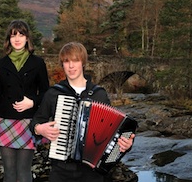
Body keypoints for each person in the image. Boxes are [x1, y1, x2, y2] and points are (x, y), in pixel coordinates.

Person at [29, 42, 135, 182]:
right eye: (67, 62)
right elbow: (34, 122)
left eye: (75, 61)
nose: (71, 66)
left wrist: (125, 146)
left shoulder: (99, 95)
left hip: (91, 172)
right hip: (61, 170)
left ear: (83, 63)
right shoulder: (54, 93)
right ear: (62, 65)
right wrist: (39, 128)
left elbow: (113, 134)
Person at [0, 20, 50, 182]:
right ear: (8, 38)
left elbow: (46, 93)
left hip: (27, 122)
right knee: (9, 173)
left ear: (27, 38)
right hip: (4, 122)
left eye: (21, 35)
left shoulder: (38, 63)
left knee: (23, 172)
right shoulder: (1, 64)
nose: (17, 39)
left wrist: (33, 102)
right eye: (13, 35)